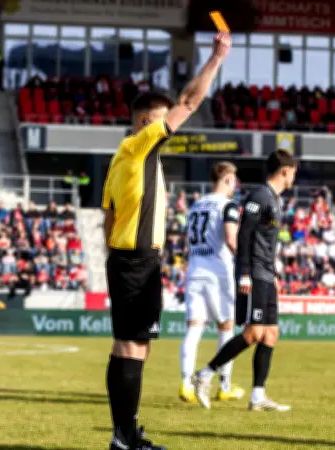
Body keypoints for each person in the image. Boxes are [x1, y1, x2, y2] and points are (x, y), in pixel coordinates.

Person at [101, 31, 231, 450]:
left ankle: (125, 434)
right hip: (136, 261)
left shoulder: (125, 158)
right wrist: (216, 57)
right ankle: (124, 438)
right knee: (130, 346)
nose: (168, 126)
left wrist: (120, 255)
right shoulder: (138, 148)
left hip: (133, 260)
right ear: (146, 123)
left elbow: (109, 215)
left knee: (134, 347)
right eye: (162, 120)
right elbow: (190, 102)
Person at [193, 150, 298, 412]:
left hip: (266, 273)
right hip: (254, 273)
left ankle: (258, 396)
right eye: (293, 171)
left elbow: (265, 242)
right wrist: (245, 274)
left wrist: (273, 275)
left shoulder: (275, 200)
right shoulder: (259, 196)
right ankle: (205, 374)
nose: (294, 177)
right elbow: (244, 236)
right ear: (285, 170)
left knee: (271, 333)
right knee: (253, 333)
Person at [179, 162, 246, 404]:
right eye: (235, 180)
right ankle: (224, 385)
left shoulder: (196, 204)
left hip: (196, 269)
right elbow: (230, 237)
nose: (236, 185)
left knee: (194, 328)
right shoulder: (227, 205)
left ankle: (186, 384)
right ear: (227, 179)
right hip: (219, 272)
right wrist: (246, 262)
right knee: (226, 328)